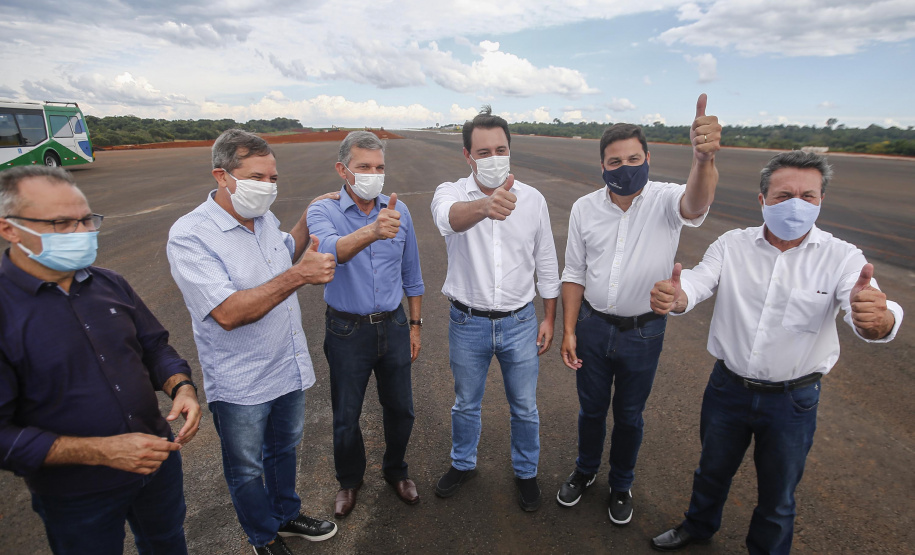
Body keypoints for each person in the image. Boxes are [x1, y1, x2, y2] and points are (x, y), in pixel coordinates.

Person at [648, 150, 903, 554]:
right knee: (712, 470)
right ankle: (697, 526)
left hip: (792, 400)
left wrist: (879, 319)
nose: (796, 205)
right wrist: (678, 296)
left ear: (821, 201)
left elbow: (867, 306)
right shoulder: (732, 245)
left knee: (778, 493)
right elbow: (697, 281)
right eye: (784, 195)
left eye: (808, 196)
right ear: (762, 199)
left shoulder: (843, 258)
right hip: (728, 390)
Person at [0, 166, 200, 554]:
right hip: (77, 494)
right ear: (10, 229)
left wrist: (182, 386)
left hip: (157, 464)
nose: (82, 232)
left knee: (167, 541)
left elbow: (155, 347)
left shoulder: (109, 283)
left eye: (86, 219)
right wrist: (103, 451)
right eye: (61, 223)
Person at [167, 129, 338, 555]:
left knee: (283, 450)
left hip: (285, 366)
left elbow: (283, 252)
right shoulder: (191, 235)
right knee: (245, 468)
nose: (267, 186)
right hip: (241, 381)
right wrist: (299, 275)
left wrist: (307, 217)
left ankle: (285, 514)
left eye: (273, 178)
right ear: (221, 176)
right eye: (256, 177)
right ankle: (263, 537)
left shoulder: (264, 220)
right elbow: (228, 312)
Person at [557, 94, 722, 525]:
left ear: (648, 158)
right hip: (593, 326)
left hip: (643, 332)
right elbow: (573, 272)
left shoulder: (667, 200)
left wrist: (703, 159)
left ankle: (621, 483)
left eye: (633, 158)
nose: (625, 167)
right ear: (602, 166)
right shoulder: (584, 209)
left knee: (629, 415)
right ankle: (585, 470)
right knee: (591, 410)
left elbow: (697, 203)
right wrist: (569, 330)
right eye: (615, 161)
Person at [430, 106, 560, 512]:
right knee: (466, 402)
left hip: (520, 322)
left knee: (524, 406)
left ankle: (526, 472)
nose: (493, 158)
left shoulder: (533, 200)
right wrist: (485, 207)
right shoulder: (451, 192)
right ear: (467, 156)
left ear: (510, 150)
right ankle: (463, 463)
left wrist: (549, 317)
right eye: (483, 152)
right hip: (467, 321)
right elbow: (447, 219)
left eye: (500, 149)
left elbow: (546, 260)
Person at [306, 131, 424, 517]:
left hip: (393, 324)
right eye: (364, 167)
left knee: (401, 409)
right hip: (347, 330)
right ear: (343, 169)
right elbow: (329, 251)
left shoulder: (399, 211)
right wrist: (373, 230)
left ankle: (396, 471)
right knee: (346, 415)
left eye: (379, 167)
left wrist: (415, 325)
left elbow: (412, 273)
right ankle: (349, 480)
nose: (374, 175)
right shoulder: (323, 210)